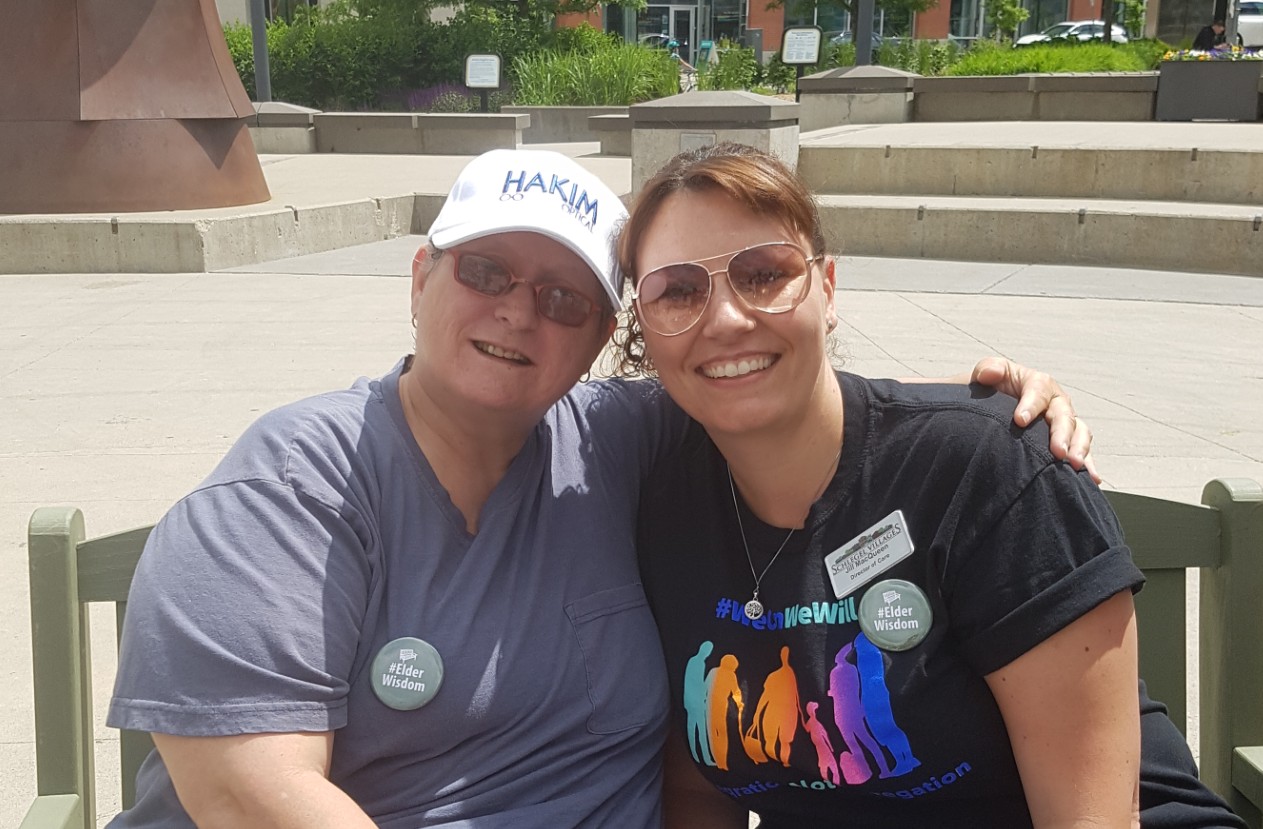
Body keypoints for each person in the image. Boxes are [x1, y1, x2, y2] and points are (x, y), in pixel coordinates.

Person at [105, 147, 1092, 828]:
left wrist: (984, 410)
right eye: (486, 270)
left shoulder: (623, 440)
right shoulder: (290, 486)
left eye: (566, 297)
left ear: (598, 339)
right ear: (419, 278)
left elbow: (766, 374)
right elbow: (253, 799)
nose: (520, 313)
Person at [623, 142, 1246, 829]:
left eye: (763, 273)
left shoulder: (983, 470)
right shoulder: (662, 505)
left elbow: (1091, 820)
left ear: (826, 289)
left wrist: (974, 410)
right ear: (643, 329)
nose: (725, 318)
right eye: (678, 289)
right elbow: (696, 790)